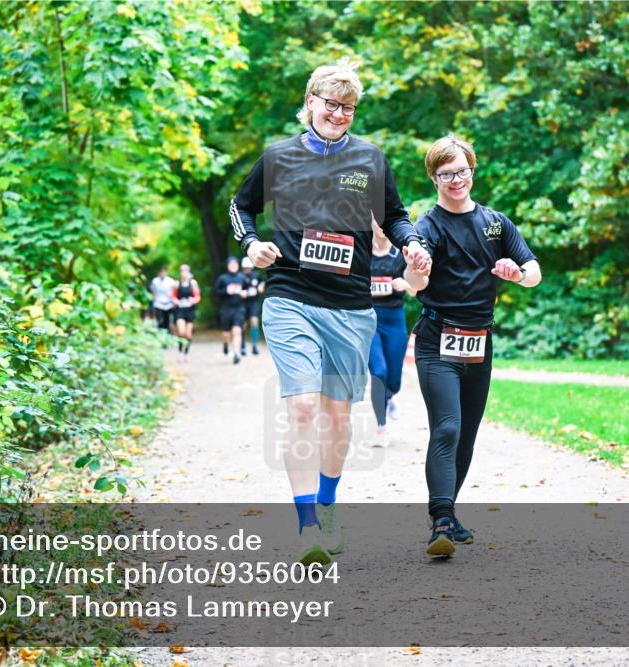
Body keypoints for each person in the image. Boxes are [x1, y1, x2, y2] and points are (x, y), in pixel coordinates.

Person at [230, 60, 432, 564]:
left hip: (348, 304)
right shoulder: (278, 157)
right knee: (301, 406)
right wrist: (252, 244)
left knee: (339, 418)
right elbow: (241, 207)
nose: (339, 115)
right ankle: (306, 527)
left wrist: (410, 245)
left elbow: (395, 216)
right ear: (311, 102)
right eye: (331, 105)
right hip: (289, 292)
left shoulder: (369, 159)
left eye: (348, 108)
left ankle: (327, 502)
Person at [413, 135, 541, 558]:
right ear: (434, 177)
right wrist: (417, 268)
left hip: (479, 342)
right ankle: (441, 519)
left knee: (466, 436)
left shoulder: (496, 223)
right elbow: (415, 284)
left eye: (462, 170)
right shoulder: (426, 227)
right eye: (446, 173)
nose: (456, 179)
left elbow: (534, 271)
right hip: (437, 341)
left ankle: (449, 514)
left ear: (472, 170)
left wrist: (517, 273)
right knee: (447, 426)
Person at [368, 218, 416, 447]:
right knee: (378, 371)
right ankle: (380, 427)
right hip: (369, 321)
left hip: (395, 319)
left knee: (394, 378)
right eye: (378, 223)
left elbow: (418, 290)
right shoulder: (361, 254)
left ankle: (389, 397)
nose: (382, 228)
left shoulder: (401, 255)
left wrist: (406, 285)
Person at [214, 257, 248, 365]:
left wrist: (245, 293)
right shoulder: (222, 279)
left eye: (235, 264)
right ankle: (225, 344)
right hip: (226, 309)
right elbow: (216, 293)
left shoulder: (242, 278)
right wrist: (226, 291)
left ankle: (236, 354)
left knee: (237, 331)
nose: (233, 266)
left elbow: (247, 290)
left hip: (239, 308)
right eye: (231, 264)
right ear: (228, 266)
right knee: (226, 334)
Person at [173, 264, 201, 362]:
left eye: (186, 271)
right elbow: (173, 296)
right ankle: (180, 352)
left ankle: (186, 352)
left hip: (190, 310)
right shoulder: (177, 284)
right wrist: (176, 301)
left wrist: (193, 300)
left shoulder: (193, 283)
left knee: (188, 334)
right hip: (180, 310)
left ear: (188, 272)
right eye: (182, 271)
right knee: (181, 331)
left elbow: (198, 296)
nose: (184, 273)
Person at [240, 257, 265, 356]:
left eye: (249, 267)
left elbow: (262, 283)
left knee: (254, 322)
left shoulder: (256, 275)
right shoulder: (240, 277)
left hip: (254, 302)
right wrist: (241, 292)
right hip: (242, 303)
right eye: (245, 268)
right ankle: (242, 346)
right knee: (243, 325)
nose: (247, 269)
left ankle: (255, 345)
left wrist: (261, 286)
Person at [148, 266, 176, 338]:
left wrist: (173, 302)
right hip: (158, 304)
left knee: (167, 321)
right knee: (160, 321)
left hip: (168, 304)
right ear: (159, 273)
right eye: (161, 272)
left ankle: (167, 336)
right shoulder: (155, 281)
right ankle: (161, 336)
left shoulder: (171, 281)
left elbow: (174, 291)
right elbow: (153, 292)